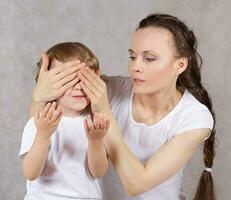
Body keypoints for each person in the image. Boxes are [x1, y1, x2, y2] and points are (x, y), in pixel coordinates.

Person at [29, 14, 216, 200]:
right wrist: (40, 95)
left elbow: (136, 184)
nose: (135, 66)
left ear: (180, 64)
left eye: (149, 59)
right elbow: (37, 126)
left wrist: (103, 110)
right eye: (133, 57)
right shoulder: (110, 90)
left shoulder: (195, 117)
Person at [19, 42, 110, 200]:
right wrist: (43, 135)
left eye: (84, 79)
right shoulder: (41, 121)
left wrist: (95, 140)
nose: (78, 87)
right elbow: (30, 173)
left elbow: (99, 172)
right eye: (69, 79)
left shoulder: (95, 122)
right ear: (50, 83)